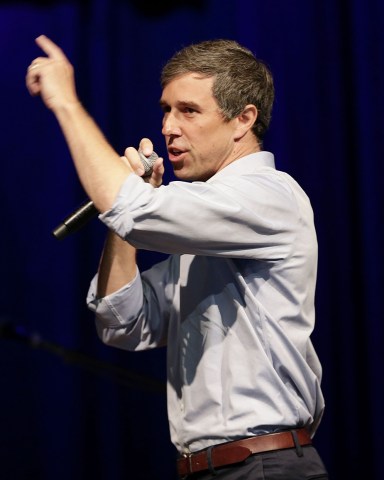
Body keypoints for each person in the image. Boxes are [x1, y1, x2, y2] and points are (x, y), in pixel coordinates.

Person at [26, 35, 328, 479]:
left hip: (263, 465)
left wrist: (67, 104)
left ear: (243, 120)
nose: (168, 127)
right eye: (166, 110)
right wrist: (128, 220)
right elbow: (122, 322)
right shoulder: (210, 223)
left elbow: (131, 210)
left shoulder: (267, 196)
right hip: (209, 469)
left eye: (188, 110)